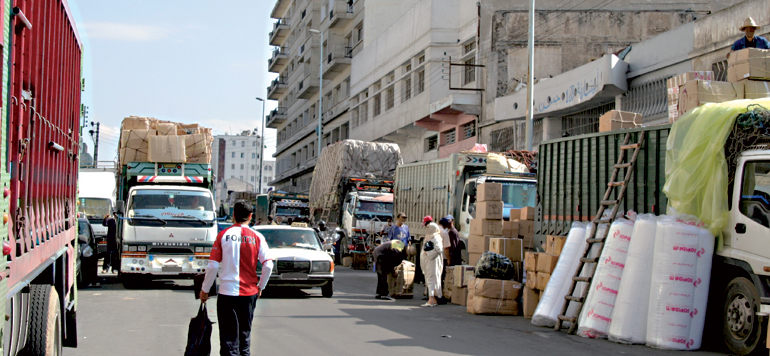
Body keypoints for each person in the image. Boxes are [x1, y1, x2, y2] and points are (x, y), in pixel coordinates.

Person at [200, 201, 274, 356]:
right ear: (250, 216)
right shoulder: (258, 237)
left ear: (233, 216)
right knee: (244, 336)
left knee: (228, 337)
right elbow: (268, 265)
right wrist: (261, 287)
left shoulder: (223, 235)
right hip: (249, 293)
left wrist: (204, 290)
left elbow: (213, 266)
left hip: (227, 293)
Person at [420, 217, 443, 307]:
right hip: (429, 262)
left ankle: (431, 299)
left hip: (432, 262)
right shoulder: (430, 236)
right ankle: (433, 298)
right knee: (430, 279)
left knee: (431, 279)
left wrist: (429, 254)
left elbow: (439, 249)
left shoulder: (435, 237)